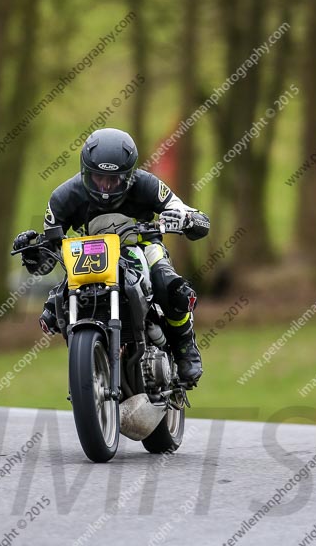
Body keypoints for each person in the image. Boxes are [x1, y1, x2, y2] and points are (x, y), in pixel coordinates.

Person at [13, 128, 210, 386]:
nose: (105, 187)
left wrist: (186, 219)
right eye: (98, 178)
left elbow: (192, 216)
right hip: (89, 254)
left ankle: (185, 346)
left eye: (114, 180)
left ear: (129, 176)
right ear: (85, 172)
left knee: (170, 286)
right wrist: (33, 253)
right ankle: (88, 362)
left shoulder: (148, 184)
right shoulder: (63, 197)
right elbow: (49, 257)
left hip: (143, 246)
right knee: (53, 307)